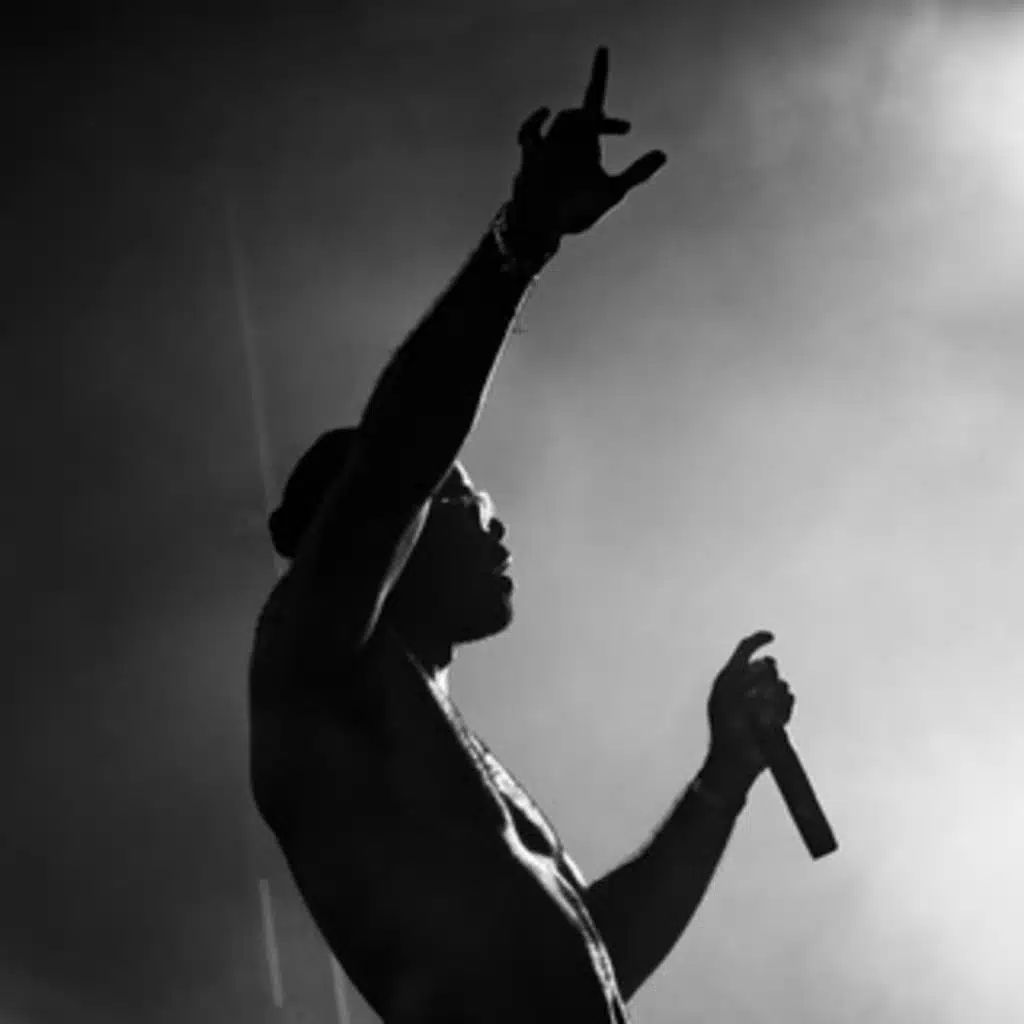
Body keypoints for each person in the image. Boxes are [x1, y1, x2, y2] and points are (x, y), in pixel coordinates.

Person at [248, 47, 795, 1024]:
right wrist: (522, 238)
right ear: (385, 531)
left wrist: (721, 780)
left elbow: (595, 960)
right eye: (460, 499)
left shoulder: (430, 739)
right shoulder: (315, 667)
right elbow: (397, 460)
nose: (496, 520)